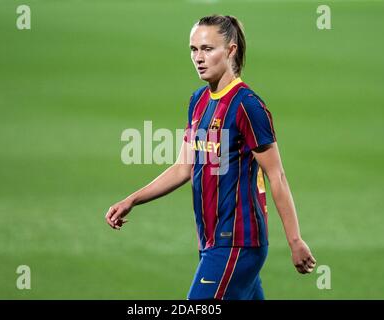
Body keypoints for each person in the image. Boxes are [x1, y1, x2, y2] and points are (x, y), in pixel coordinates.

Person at [105, 14, 316, 300]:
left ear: (231, 50)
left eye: (207, 49)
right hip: (211, 242)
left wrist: (295, 241)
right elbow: (184, 167)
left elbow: (276, 175)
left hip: (238, 243)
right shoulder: (198, 101)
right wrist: (132, 199)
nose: (198, 58)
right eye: (194, 49)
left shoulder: (247, 106)